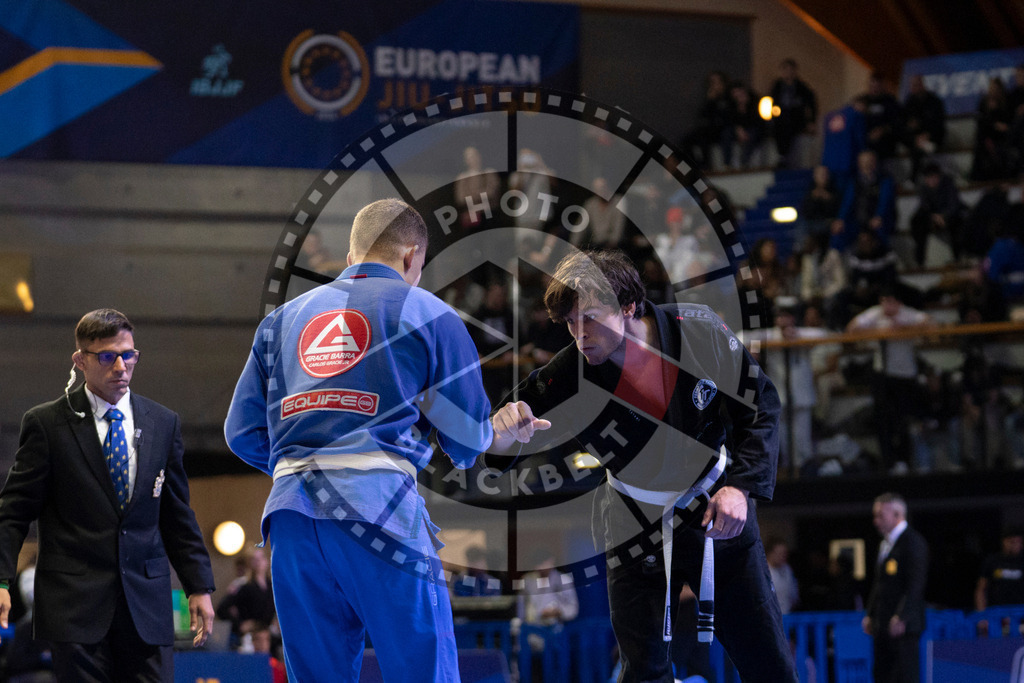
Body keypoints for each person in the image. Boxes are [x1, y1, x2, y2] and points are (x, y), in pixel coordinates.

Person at [489, 250, 796, 682]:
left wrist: (741, 488)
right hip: (633, 521)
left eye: (591, 318)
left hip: (715, 506)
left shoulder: (697, 331)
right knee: (644, 668)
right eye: (570, 323)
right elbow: (500, 437)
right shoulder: (569, 374)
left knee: (768, 661)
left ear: (629, 305)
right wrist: (503, 429)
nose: (580, 335)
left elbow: (760, 407)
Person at [224, 198, 493, 683]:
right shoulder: (430, 312)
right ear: (412, 256)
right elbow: (468, 441)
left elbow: (240, 433)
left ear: (351, 258)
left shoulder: (280, 320)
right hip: (381, 510)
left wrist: (310, 459)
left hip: (290, 517)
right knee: (423, 673)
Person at [0, 308, 216, 681]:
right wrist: (1, 580)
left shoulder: (163, 423)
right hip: (75, 605)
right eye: (107, 356)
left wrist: (199, 585)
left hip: (146, 605)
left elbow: (177, 514)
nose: (121, 366)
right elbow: (13, 511)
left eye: (128, 354)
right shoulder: (48, 425)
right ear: (80, 361)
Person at [846, 290, 933, 474]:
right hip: (882, 374)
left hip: (905, 375)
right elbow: (852, 328)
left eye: (891, 301)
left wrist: (901, 330)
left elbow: (931, 325)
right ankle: (889, 462)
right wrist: (881, 331)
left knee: (904, 419)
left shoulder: (908, 313)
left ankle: (905, 460)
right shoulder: (875, 313)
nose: (887, 306)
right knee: (883, 420)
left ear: (899, 303)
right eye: (884, 301)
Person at [862, 493, 929, 683]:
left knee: (904, 677)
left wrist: (902, 616)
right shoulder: (885, 544)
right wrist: (870, 613)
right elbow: (879, 583)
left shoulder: (913, 543)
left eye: (880, 516)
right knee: (882, 676)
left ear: (898, 514)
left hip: (903, 628)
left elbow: (915, 585)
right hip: (882, 625)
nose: (876, 521)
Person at [769, 58, 817, 168]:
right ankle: (782, 156)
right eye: (785, 70)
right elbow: (772, 102)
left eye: (791, 70)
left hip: (797, 118)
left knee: (789, 127)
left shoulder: (802, 87)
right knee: (778, 128)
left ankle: (786, 158)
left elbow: (812, 104)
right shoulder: (777, 86)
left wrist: (811, 121)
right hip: (781, 118)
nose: (788, 73)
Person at [766, 538, 799, 614]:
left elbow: (793, 595)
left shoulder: (787, 569)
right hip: (769, 617)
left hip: (786, 615)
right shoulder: (762, 571)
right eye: (779, 553)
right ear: (770, 553)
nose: (782, 556)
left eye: (784, 553)